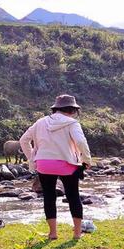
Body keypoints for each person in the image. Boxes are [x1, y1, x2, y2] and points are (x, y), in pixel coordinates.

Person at [19, 94, 92, 240]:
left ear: (56, 109)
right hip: (67, 164)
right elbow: (81, 142)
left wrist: (32, 158)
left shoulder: (40, 122)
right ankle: (77, 233)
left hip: (44, 164)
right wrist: (86, 159)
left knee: (49, 197)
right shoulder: (72, 123)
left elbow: (23, 140)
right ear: (72, 110)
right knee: (73, 196)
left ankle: (53, 233)